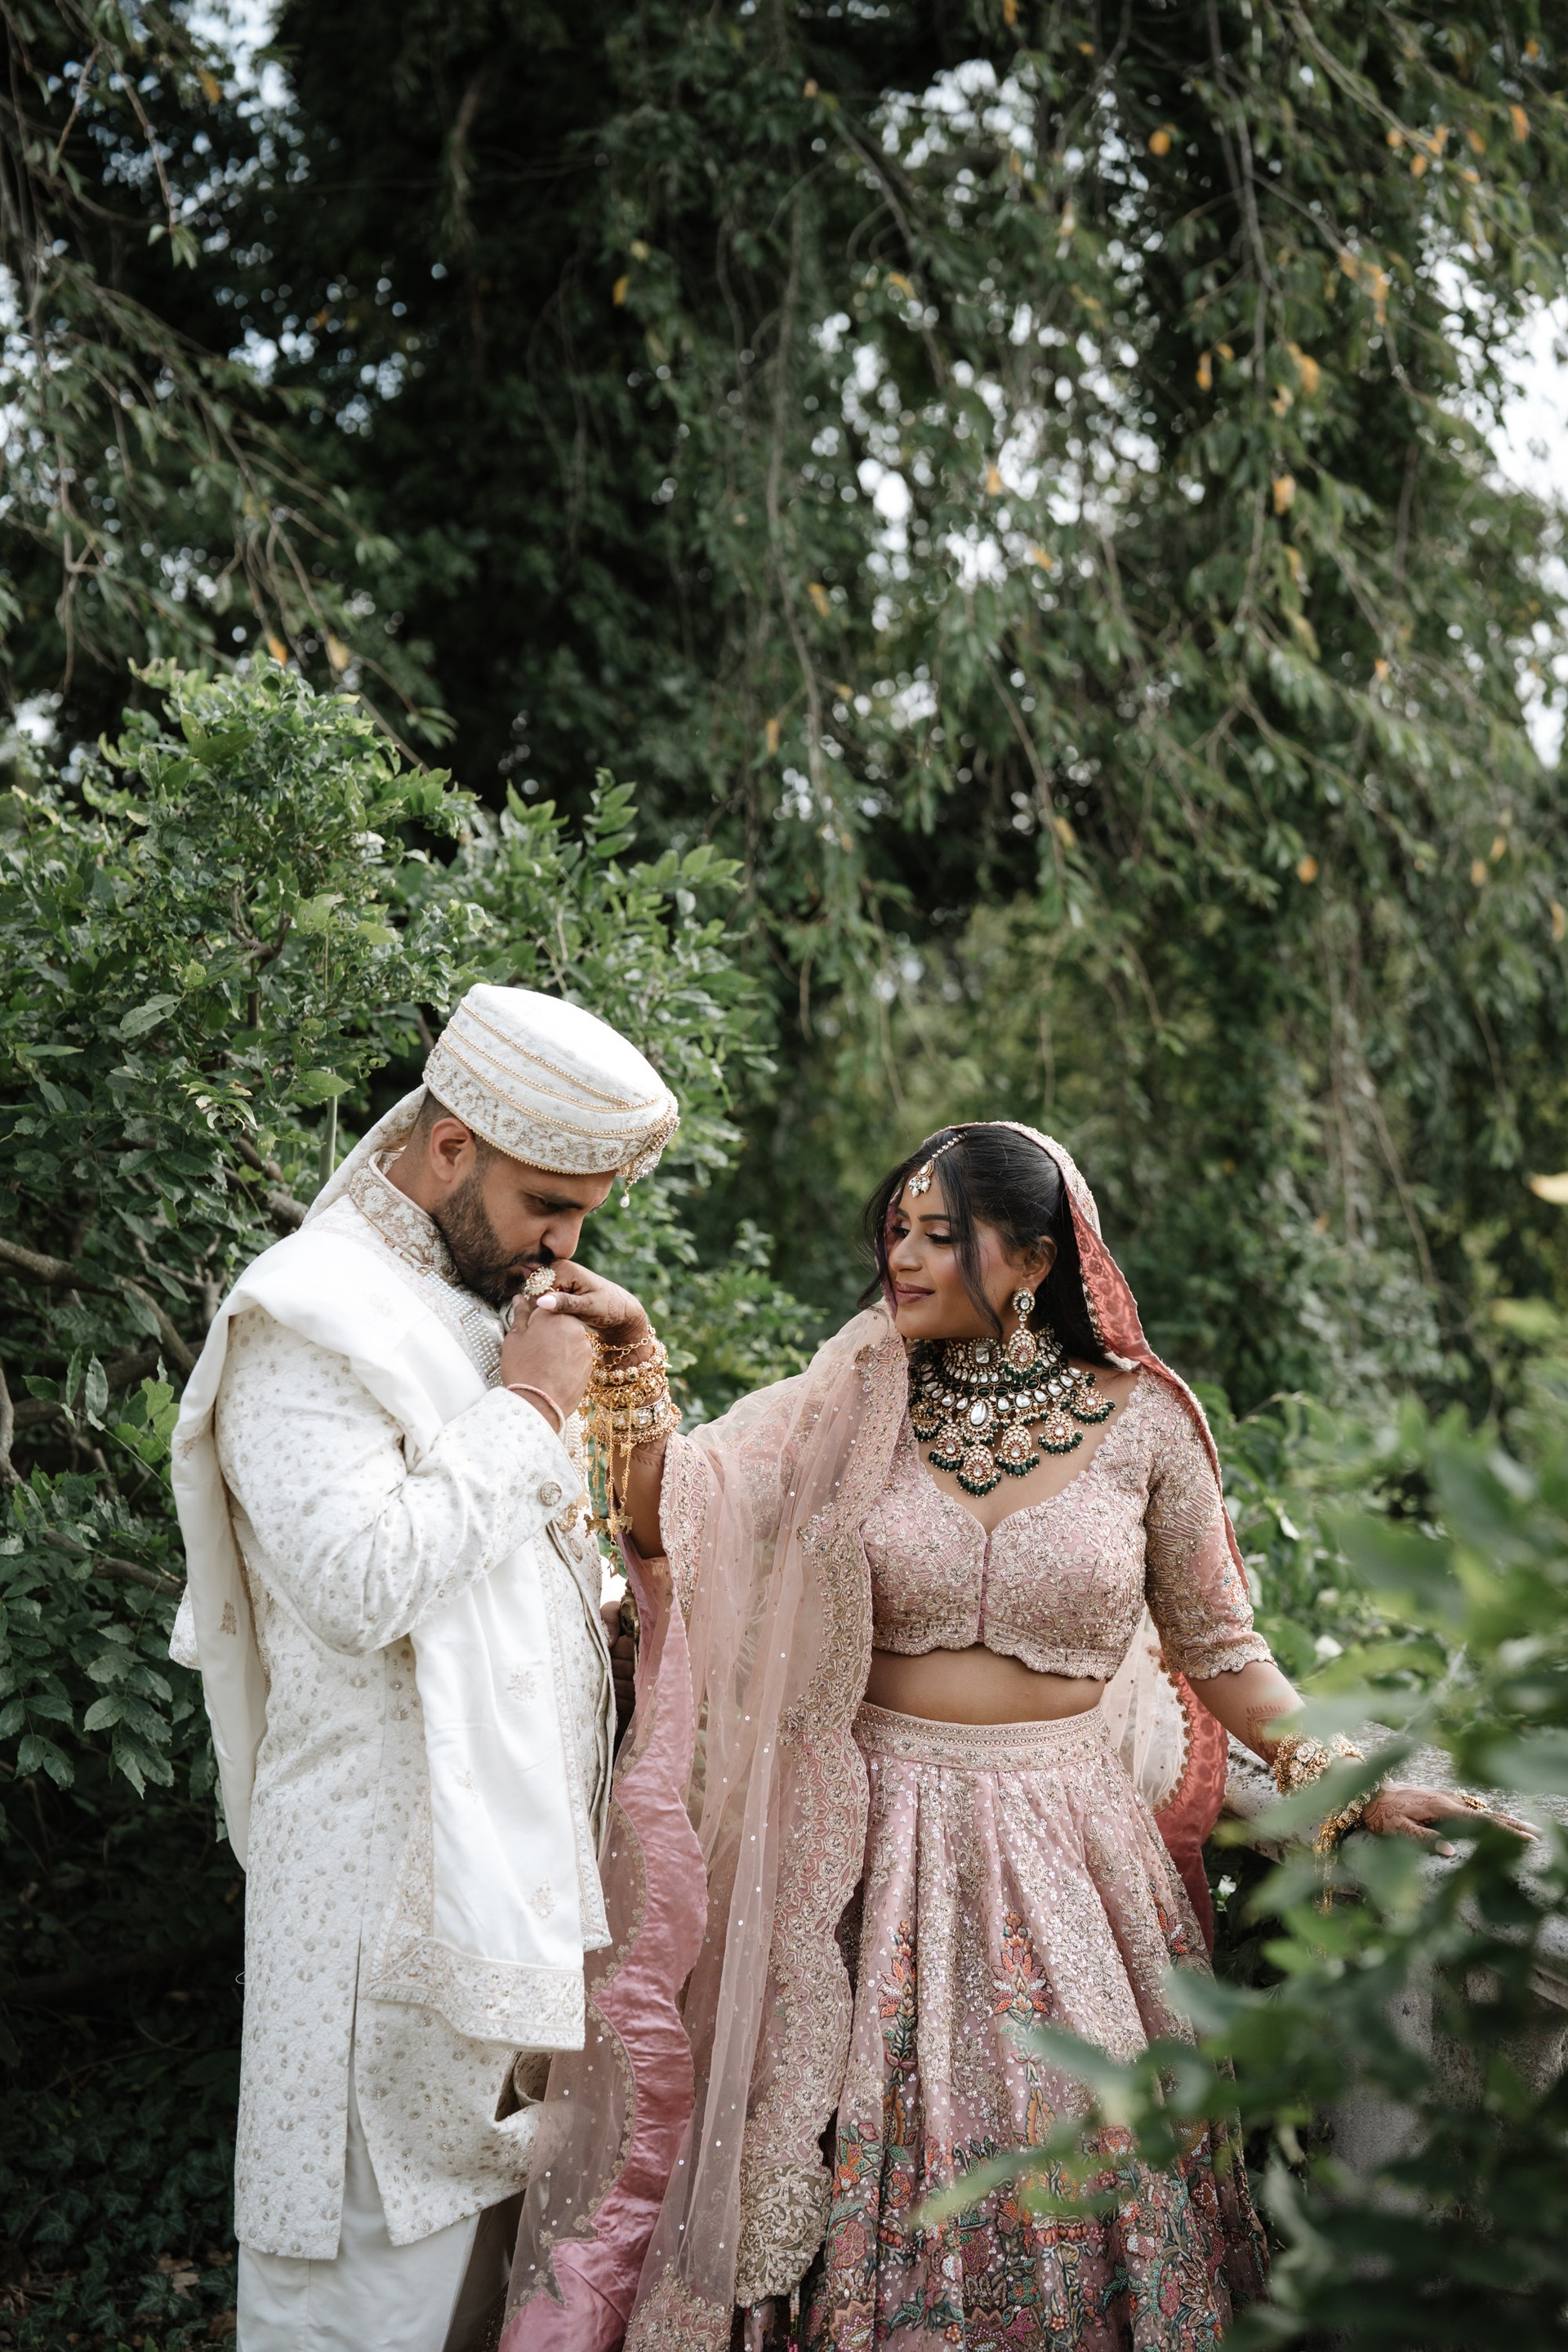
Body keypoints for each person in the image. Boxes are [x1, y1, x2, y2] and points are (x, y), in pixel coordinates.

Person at [495, 1121, 1510, 2352]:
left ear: (1035, 1259)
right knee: (854, 2161)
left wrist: (1343, 1776)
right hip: (863, 1851)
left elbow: (1219, 1644)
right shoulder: (854, 1401)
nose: (903, 1260)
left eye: (941, 1236)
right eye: (897, 1234)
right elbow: (678, 1515)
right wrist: (633, 1355)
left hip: (1069, 1857)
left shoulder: (1148, 1425)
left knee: (1081, 2152)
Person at [168, 984, 678, 2352]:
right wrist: (533, 1406)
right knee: (354, 2315)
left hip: (501, 1924)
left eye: (585, 1216)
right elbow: (358, 1585)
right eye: (547, 1206)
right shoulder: (307, 1314)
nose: (565, 1247)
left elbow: (514, 1591)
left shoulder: (468, 1303)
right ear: (451, 1147)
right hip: (371, 1933)